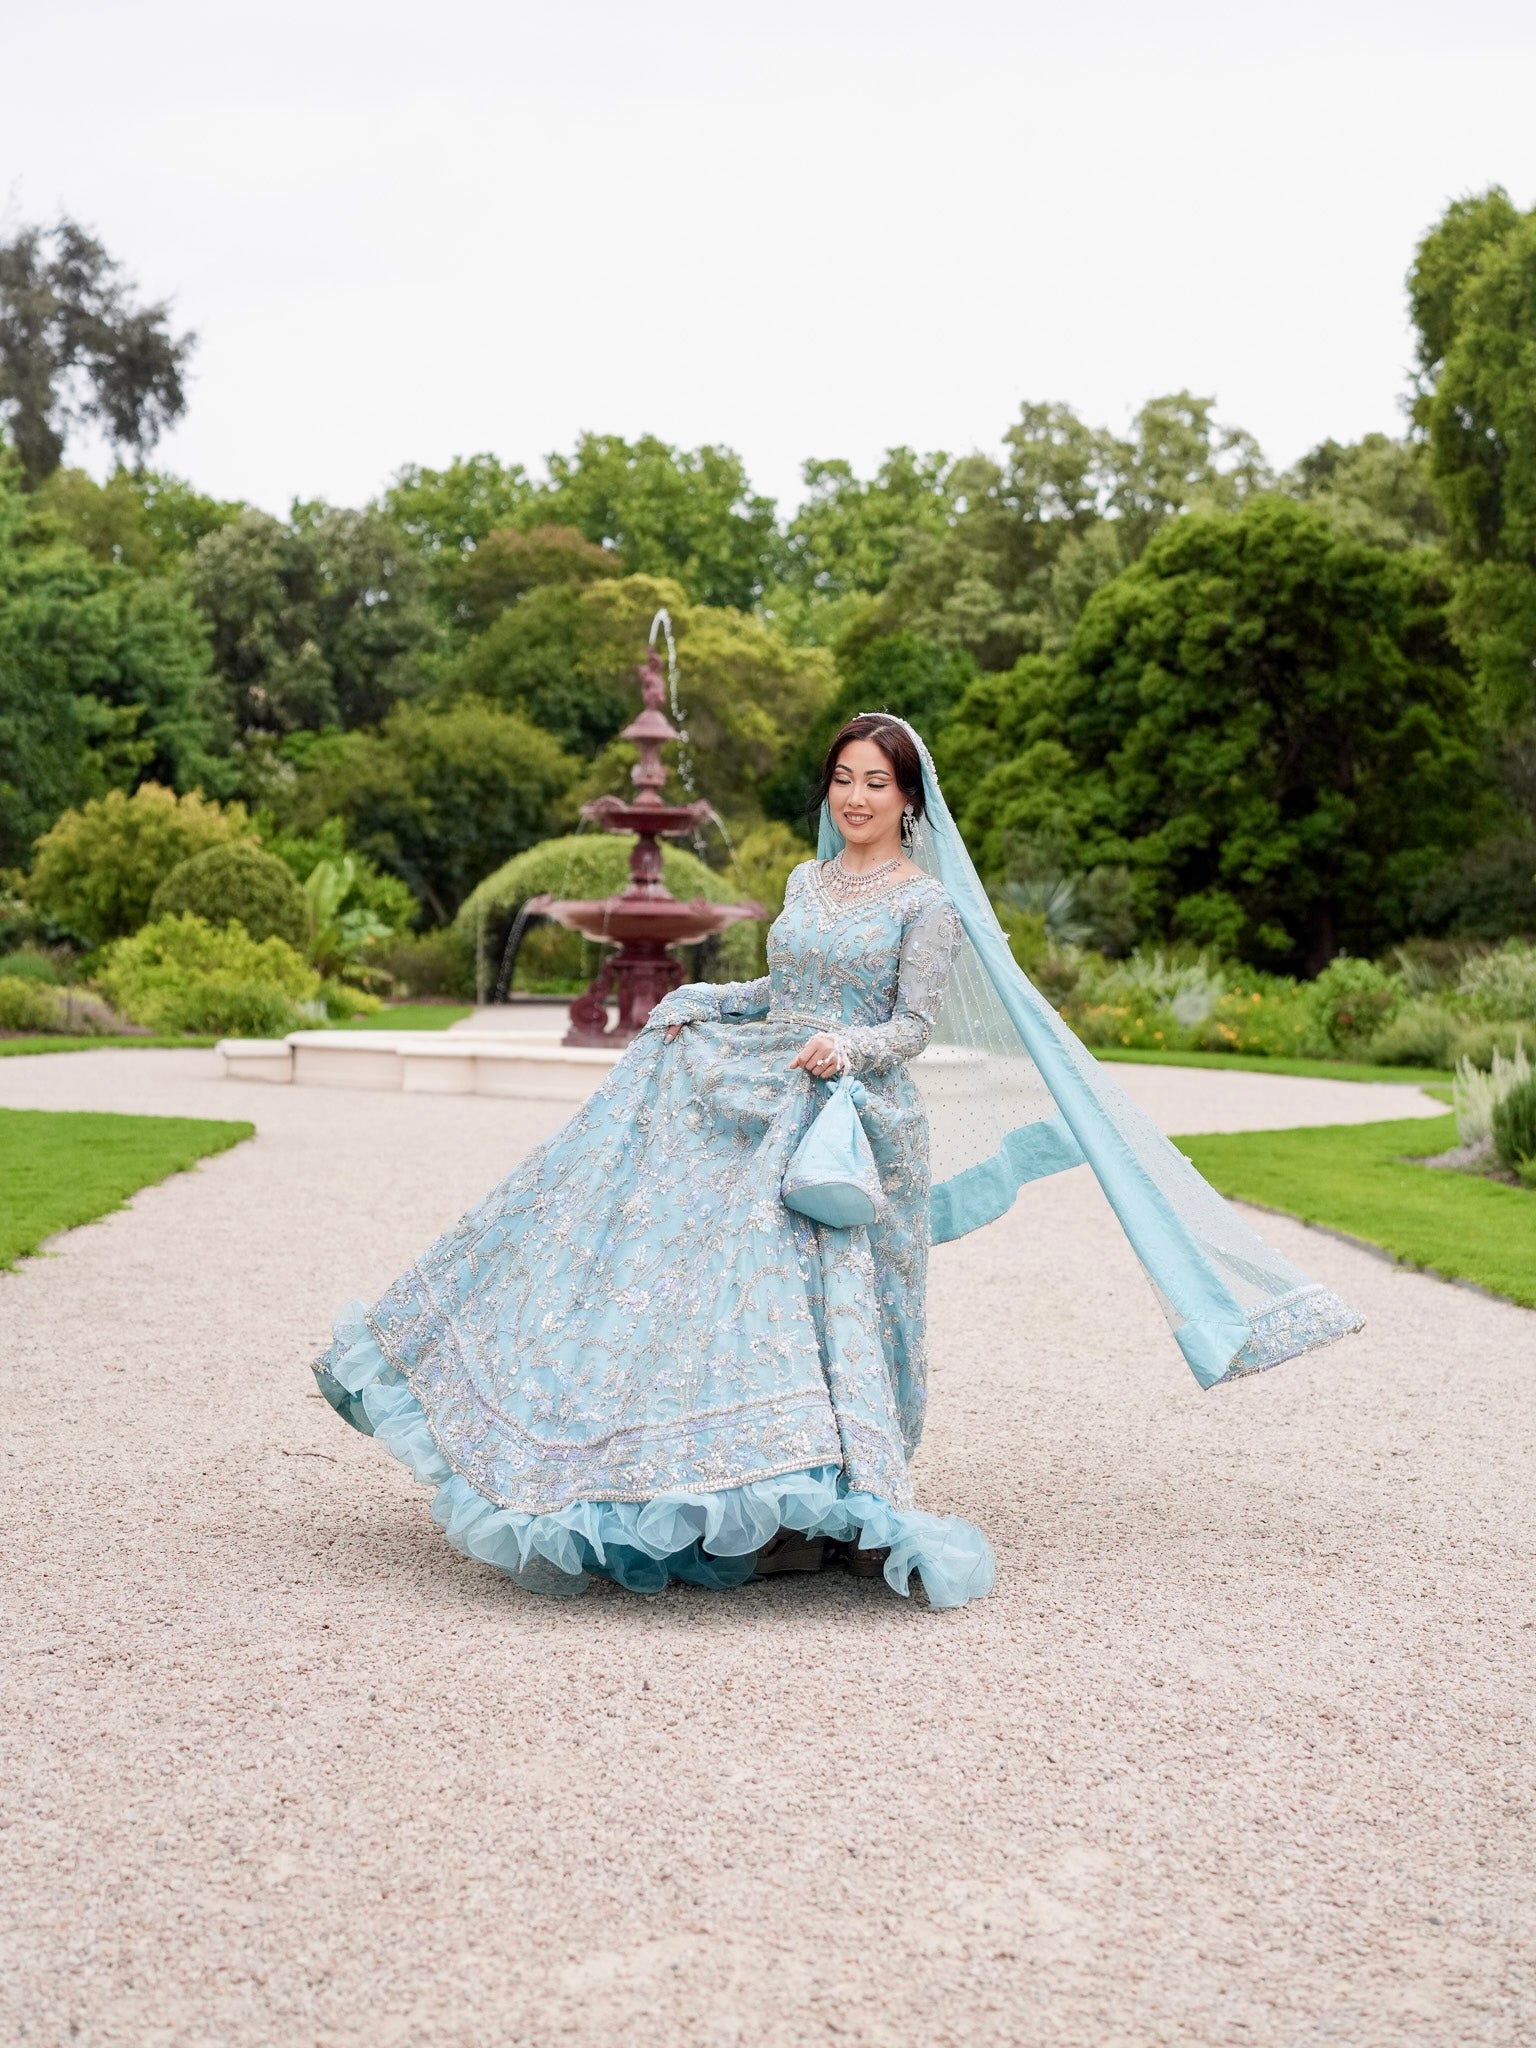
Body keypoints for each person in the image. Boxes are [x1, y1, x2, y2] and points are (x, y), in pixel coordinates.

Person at [313, 714, 1361, 1609]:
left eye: (877, 783)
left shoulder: (926, 904)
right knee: (738, 1292)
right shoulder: (803, 880)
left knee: (855, 1308)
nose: (856, 797)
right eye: (843, 779)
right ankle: (756, 1496)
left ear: (909, 801)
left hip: (860, 1120)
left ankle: (848, 1503)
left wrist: (846, 1052)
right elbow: (780, 992)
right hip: (770, 1090)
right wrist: (702, 1000)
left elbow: (909, 1027)